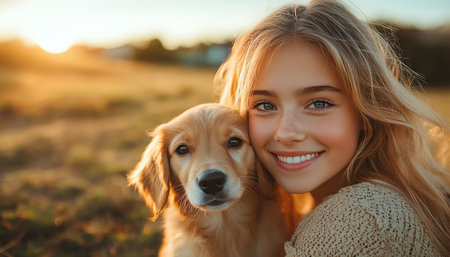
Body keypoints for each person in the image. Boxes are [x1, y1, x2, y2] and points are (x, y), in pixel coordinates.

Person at [215, 0, 450, 256]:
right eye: (264, 105)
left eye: (318, 103)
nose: (286, 132)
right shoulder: (385, 197)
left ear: (365, 109)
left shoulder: (353, 219)